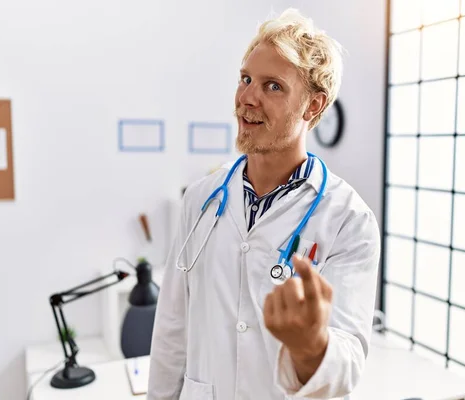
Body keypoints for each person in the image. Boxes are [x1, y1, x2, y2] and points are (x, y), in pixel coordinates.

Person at [148, 8, 380, 400]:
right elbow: (172, 325)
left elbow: (349, 361)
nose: (247, 98)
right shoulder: (201, 199)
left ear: (313, 107)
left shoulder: (349, 220)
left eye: (273, 86)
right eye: (246, 79)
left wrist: (311, 345)